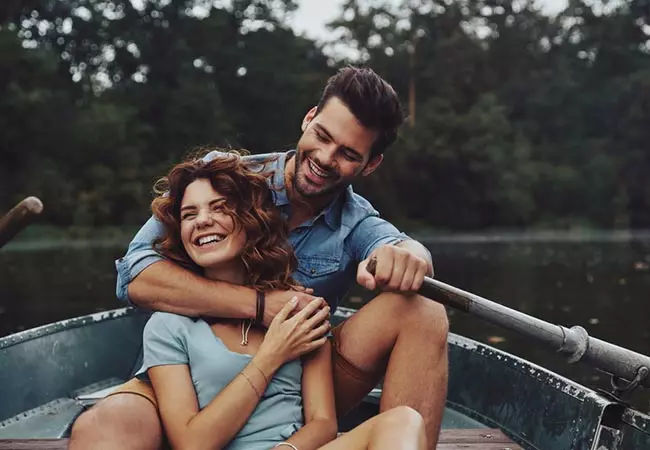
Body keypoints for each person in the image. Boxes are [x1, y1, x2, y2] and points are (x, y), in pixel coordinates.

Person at [69, 66, 449, 450]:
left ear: (370, 164)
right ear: (309, 119)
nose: (325, 157)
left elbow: (401, 247)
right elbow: (134, 276)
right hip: (183, 377)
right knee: (107, 427)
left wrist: (411, 255)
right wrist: (260, 305)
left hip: (291, 382)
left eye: (349, 154)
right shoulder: (225, 180)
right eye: (322, 136)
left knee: (424, 311)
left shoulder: (356, 223)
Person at [131, 155, 428, 450]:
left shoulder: (297, 309)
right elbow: (192, 444)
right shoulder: (167, 327)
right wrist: (271, 355)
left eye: (220, 208)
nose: (204, 221)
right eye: (189, 215)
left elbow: (323, 422)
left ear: (250, 219)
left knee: (403, 421)